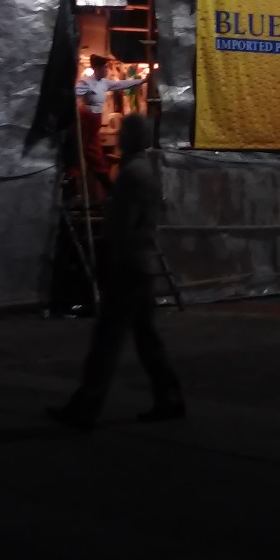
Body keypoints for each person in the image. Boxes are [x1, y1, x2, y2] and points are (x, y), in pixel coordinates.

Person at [47, 114, 183, 431]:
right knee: (146, 338)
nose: (118, 137)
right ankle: (169, 396)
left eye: (123, 133)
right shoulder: (144, 171)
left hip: (128, 266)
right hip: (141, 264)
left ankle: (86, 406)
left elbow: (125, 224)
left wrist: (112, 255)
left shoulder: (131, 174)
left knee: (107, 340)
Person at [73, 56, 148, 194]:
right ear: (97, 68)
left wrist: (142, 81)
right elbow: (73, 96)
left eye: (107, 68)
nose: (107, 70)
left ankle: (105, 186)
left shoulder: (104, 83)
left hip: (95, 122)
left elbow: (121, 84)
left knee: (94, 155)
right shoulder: (86, 82)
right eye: (105, 68)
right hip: (86, 122)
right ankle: (88, 184)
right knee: (85, 153)